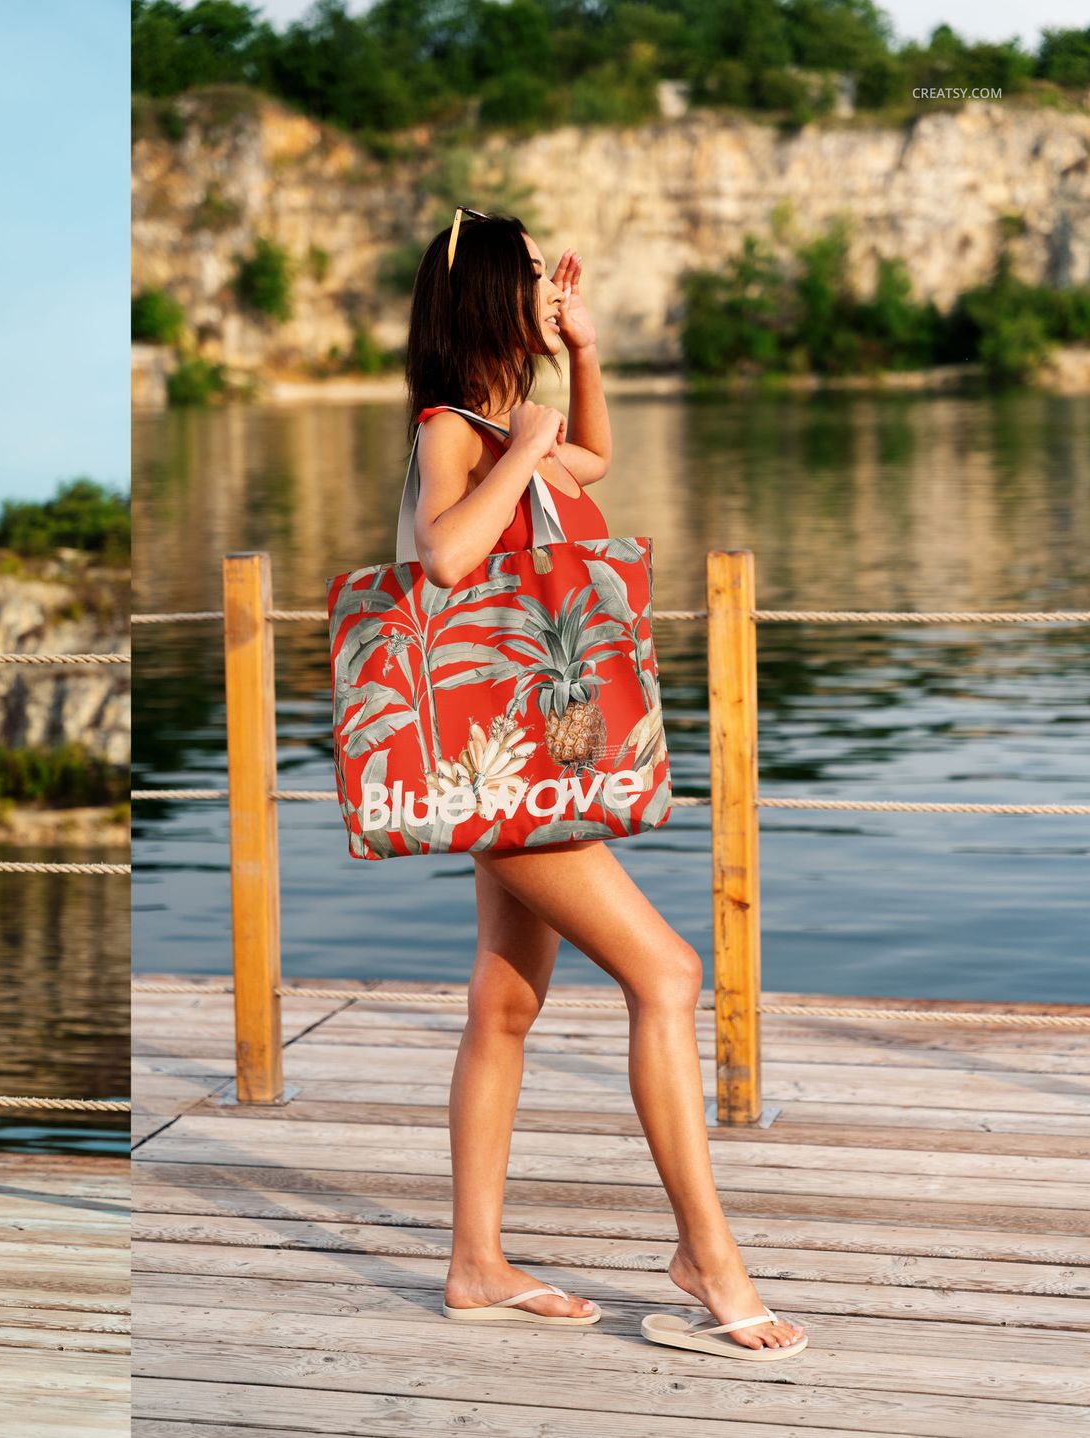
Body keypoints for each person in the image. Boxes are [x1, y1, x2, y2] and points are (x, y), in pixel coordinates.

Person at [411, 208, 806, 1361]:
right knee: (668, 971)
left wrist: (582, 352)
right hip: (510, 766)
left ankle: (476, 1264)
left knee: (504, 1004)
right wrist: (523, 446)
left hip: (527, 763)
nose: (548, 283)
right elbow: (442, 556)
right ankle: (708, 1256)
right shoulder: (453, 428)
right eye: (531, 275)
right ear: (486, 293)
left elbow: (588, 462)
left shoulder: (503, 425)